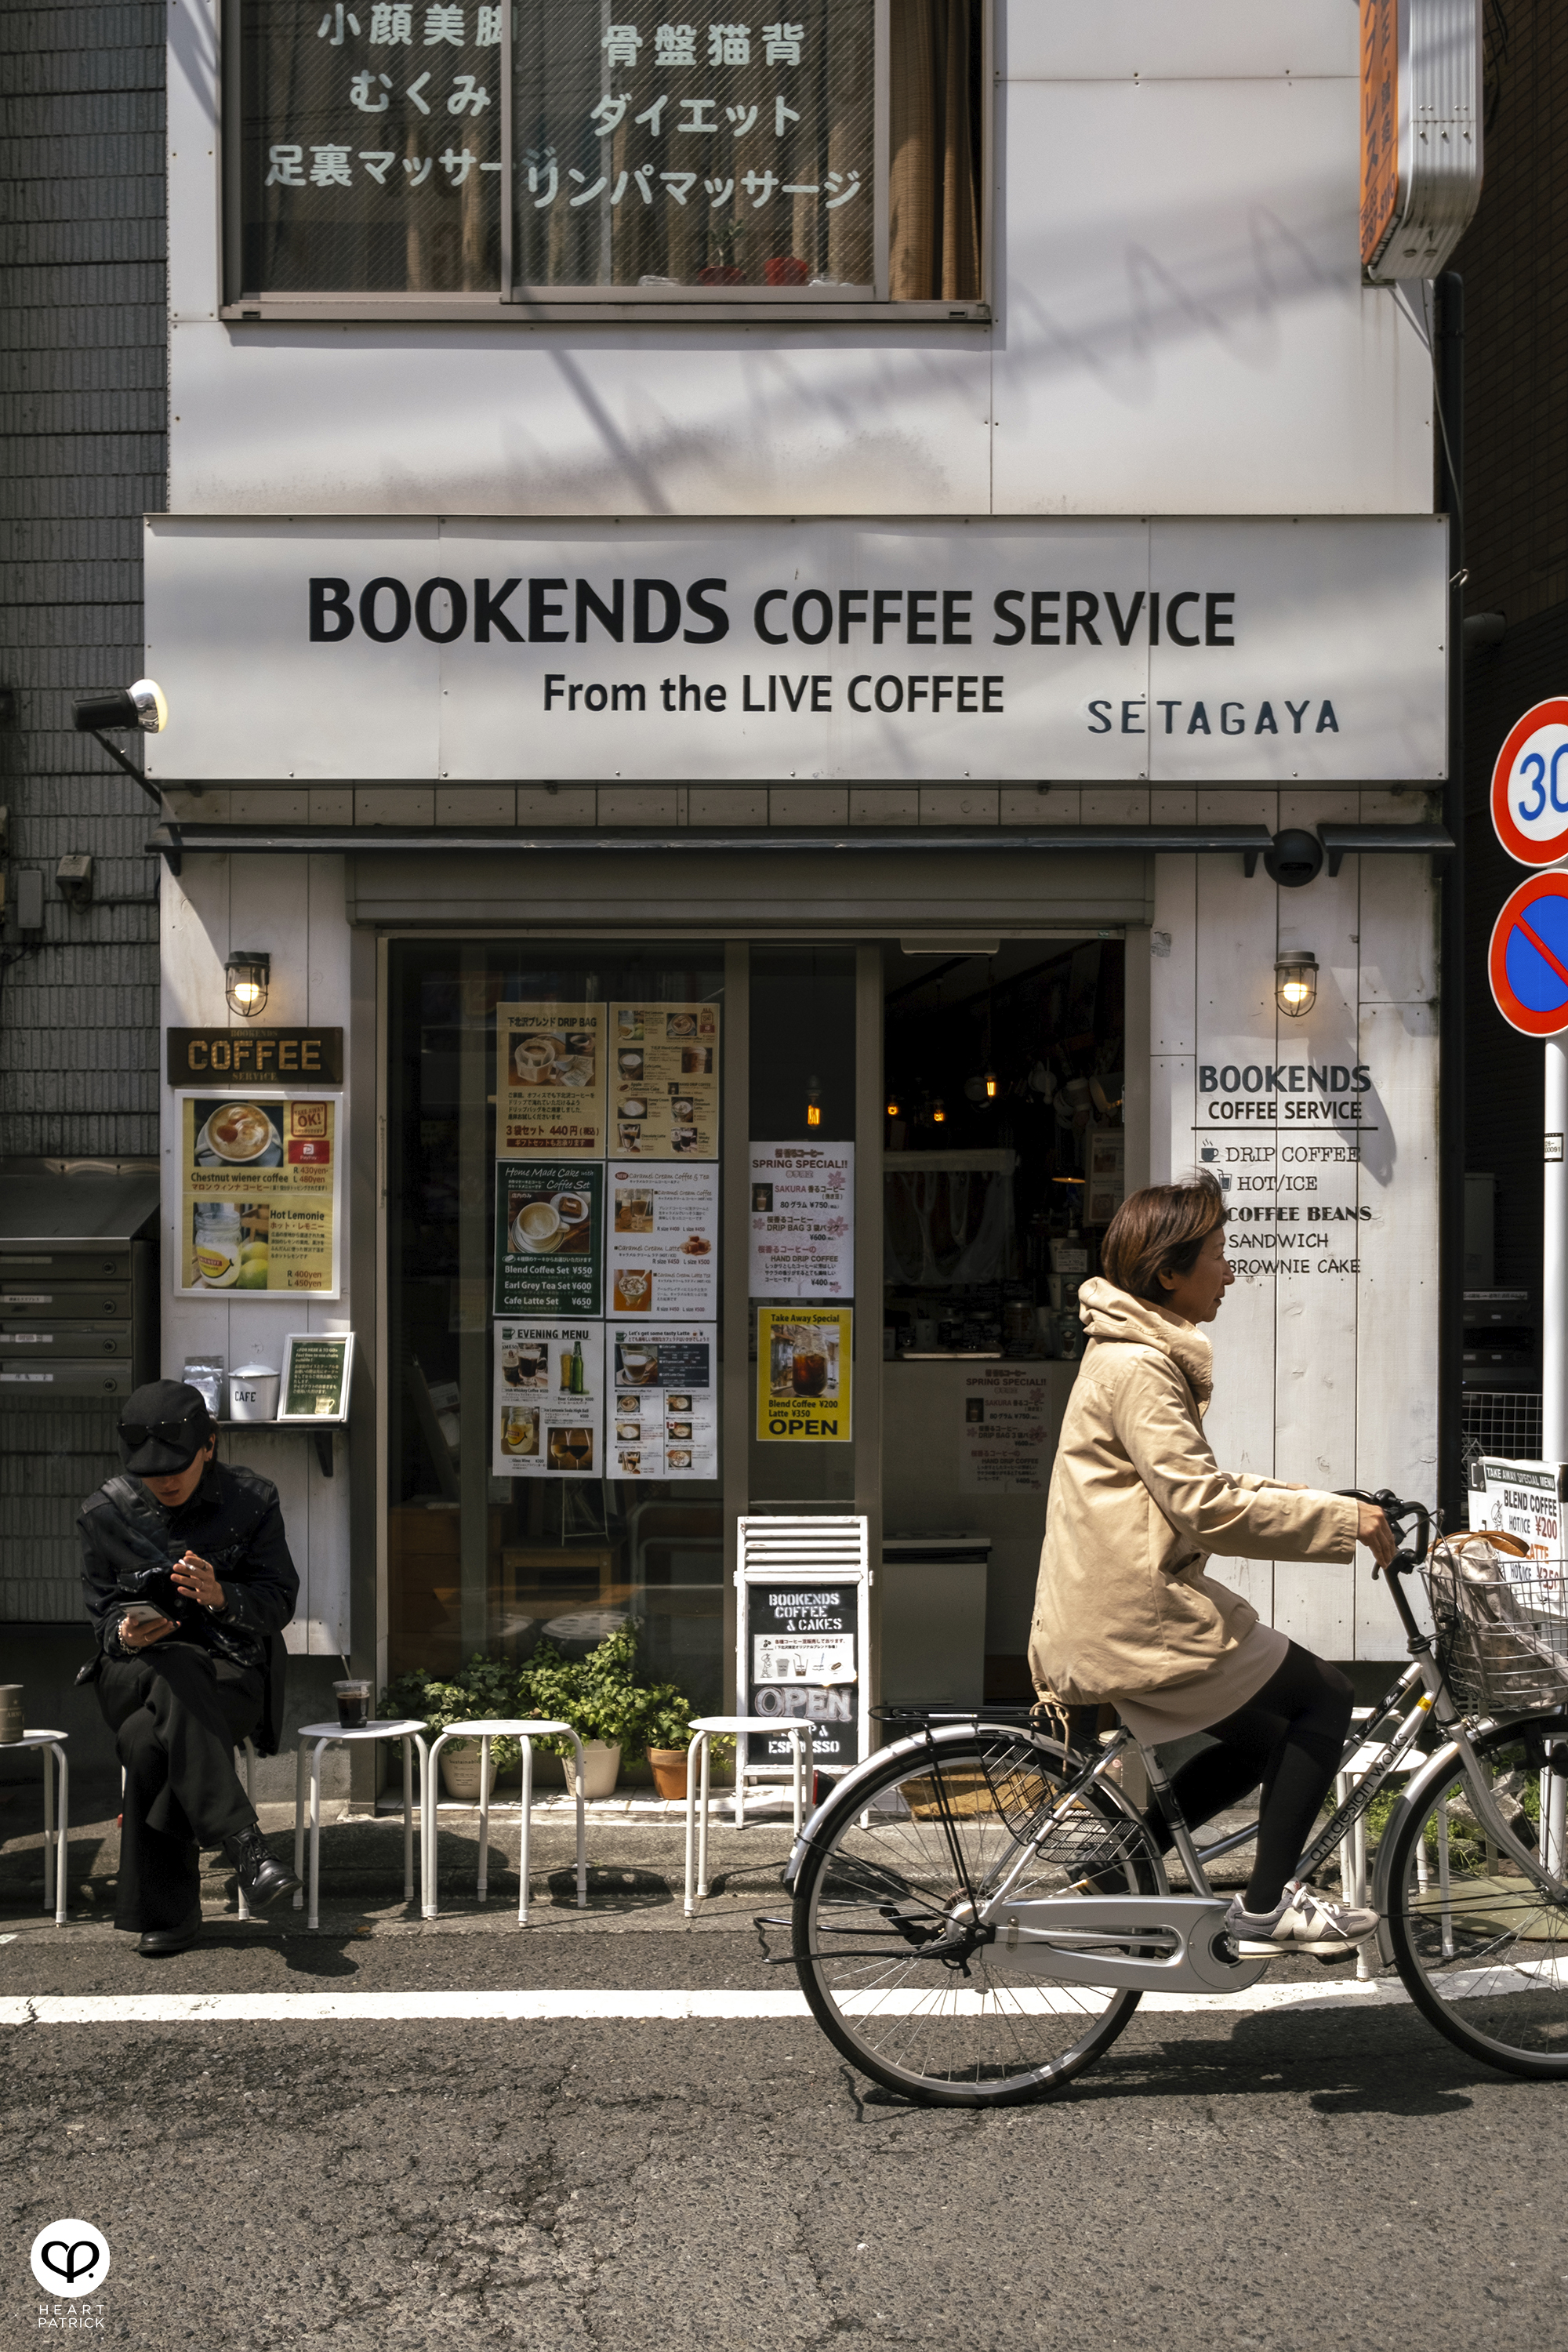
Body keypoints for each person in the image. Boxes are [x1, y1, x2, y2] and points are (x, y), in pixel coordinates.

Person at [1028, 1174, 1396, 1955]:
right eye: (1219, 1255)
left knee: (1263, 1740)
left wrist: (1325, 1502)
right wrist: (1340, 1522)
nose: (1230, 1272)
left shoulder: (1127, 1355)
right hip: (1135, 1615)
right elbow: (1205, 1508)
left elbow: (1196, 1487)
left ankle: (1115, 1872)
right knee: (1325, 1696)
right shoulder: (1139, 1368)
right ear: (1169, 1272)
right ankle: (1265, 1911)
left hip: (1114, 1606)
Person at [78, 1379, 301, 1957]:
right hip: (134, 1674)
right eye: (150, 1473)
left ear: (209, 1445)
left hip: (229, 1673)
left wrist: (222, 1596)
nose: (166, 1481)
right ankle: (245, 1844)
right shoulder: (103, 1514)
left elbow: (280, 1602)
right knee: (171, 1665)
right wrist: (124, 1632)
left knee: (146, 1741)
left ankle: (167, 1914)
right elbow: (101, 1618)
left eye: (176, 1466)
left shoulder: (252, 1501)